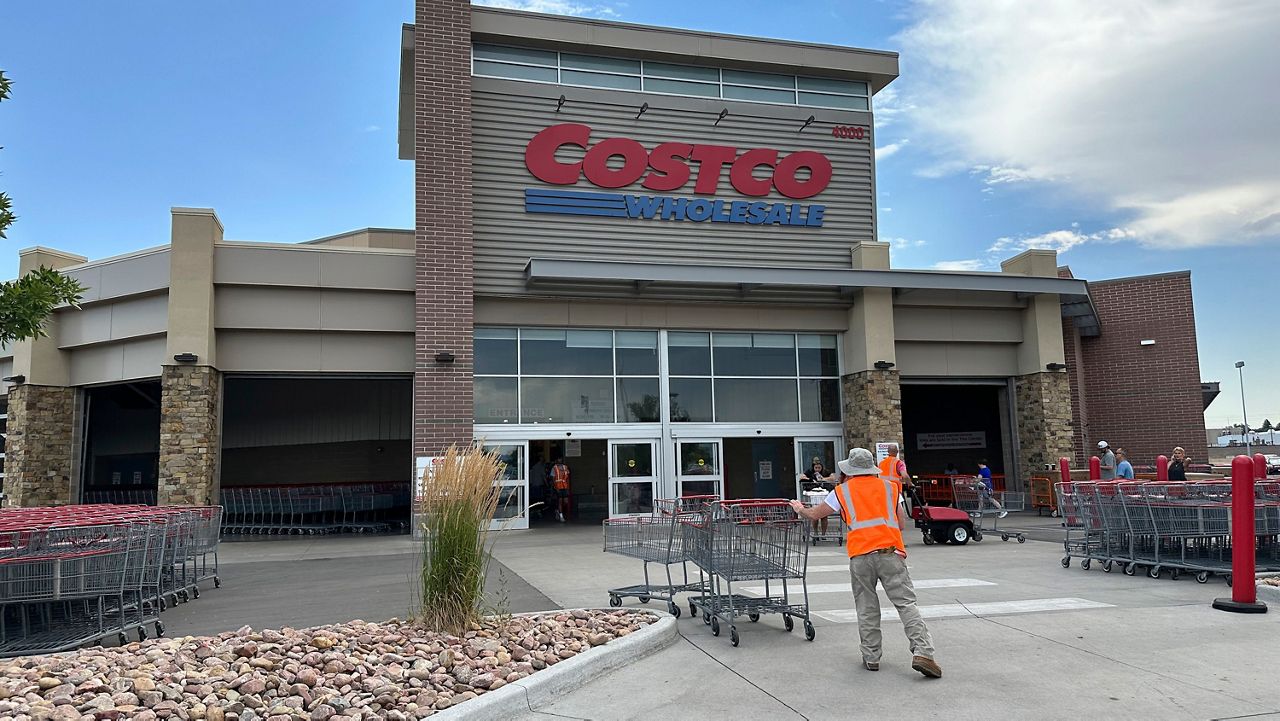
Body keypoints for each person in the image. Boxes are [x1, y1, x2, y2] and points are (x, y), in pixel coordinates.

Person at [789, 448, 941, 678]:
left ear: (850, 469)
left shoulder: (841, 492)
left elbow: (815, 515)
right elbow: (900, 524)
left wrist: (800, 509)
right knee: (906, 604)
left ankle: (871, 657)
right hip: (891, 553)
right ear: (872, 468)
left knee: (867, 608)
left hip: (860, 556)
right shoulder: (891, 489)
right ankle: (923, 653)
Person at [798, 458, 837, 535]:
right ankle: (816, 532)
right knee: (815, 516)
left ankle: (823, 534)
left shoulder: (825, 472)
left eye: (819, 468)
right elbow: (802, 477)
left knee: (824, 516)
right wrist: (811, 479)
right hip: (814, 497)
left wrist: (823, 479)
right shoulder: (810, 472)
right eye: (816, 468)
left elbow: (833, 478)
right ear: (813, 467)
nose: (818, 469)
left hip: (824, 496)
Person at [550, 458, 572, 523]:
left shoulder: (565, 467)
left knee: (565, 502)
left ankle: (557, 510)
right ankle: (561, 516)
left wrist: (568, 488)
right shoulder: (554, 468)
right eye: (558, 459)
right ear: (556, 461)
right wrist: (555, 488)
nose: (559, 460)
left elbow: (567, 478)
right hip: (558, 487)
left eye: (560, 459)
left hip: (564, 487)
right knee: (560, 501)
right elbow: (553, 479)